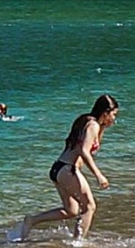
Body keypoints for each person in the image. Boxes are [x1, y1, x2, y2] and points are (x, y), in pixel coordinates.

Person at [47, 97, 115, 239]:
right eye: (113, 114)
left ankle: (32, 220)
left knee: (71, 210)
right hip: (68, 169)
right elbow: (84, 151)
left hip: (58, 168)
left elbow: (91, 148)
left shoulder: (85, 120)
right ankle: (78, 243)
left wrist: (103, 127)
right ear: (105, 112)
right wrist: (99, 175)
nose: (114, 118)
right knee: (89, 207)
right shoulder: (93, 125)